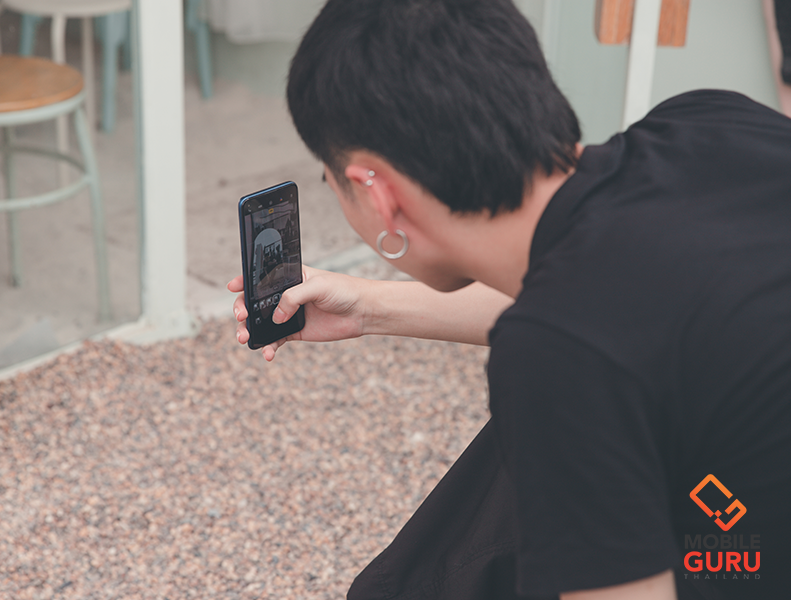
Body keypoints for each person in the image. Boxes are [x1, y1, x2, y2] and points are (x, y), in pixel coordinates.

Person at [226, 1, 791, 598]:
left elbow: (584, 328)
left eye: (332, 181)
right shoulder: (709, 120)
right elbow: (618, 308)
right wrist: (368, 307)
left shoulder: (555, 358)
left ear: (379, 195)